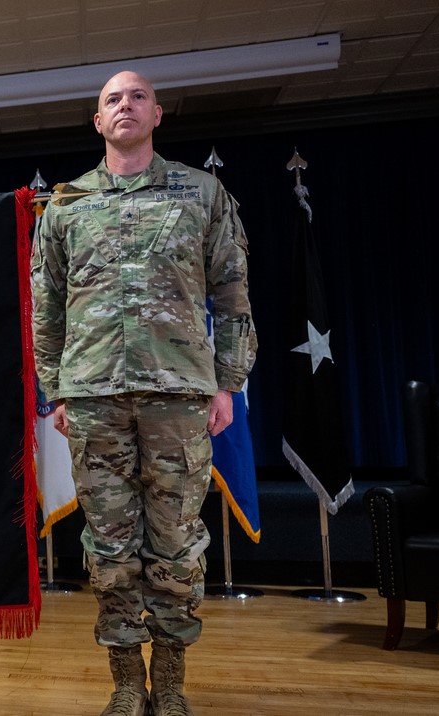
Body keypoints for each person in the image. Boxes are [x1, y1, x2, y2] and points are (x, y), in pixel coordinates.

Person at [30, 71, 257, 716]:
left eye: (136, 96)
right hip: (94, 395)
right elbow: (44, 306)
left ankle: (174, 685)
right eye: (111, 99)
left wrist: (229, 384)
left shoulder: (202, 193)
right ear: (97, 121)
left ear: (157, 114)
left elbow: (233, 296)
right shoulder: (67, 206)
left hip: (179, 393)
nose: (124, 105)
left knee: (177, 542)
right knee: (108, 544)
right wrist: (57, 391)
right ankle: (128, 682)